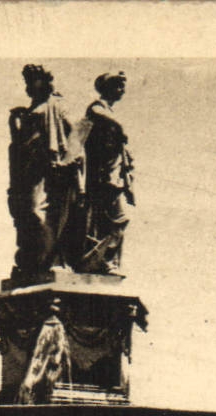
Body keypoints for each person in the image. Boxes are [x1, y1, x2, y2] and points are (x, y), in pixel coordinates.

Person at [8, 64, 85, 280]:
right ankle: (34, 262)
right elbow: (20, 145)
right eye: (27, 81)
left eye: (33, 80)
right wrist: (15, 125)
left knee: (41, 213)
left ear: (46, 81)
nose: (29, 86)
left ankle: (51, 259)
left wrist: (68, 161)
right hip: (28, 171)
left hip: (50, 171)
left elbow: (77, 133)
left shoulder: (57, 105)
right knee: (26, 215)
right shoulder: (31, 109)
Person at [79, 71, 134, 274]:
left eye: (123, 85)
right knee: (114, 219)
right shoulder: (98, 107)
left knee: (112, 220)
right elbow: (95, 114)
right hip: (102, 177)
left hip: (113, 176)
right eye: (118, 85)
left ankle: (106, 261)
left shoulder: (108, 111)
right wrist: (119, 126)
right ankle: (104, 261)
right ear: (107, 87)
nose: (122, 90)